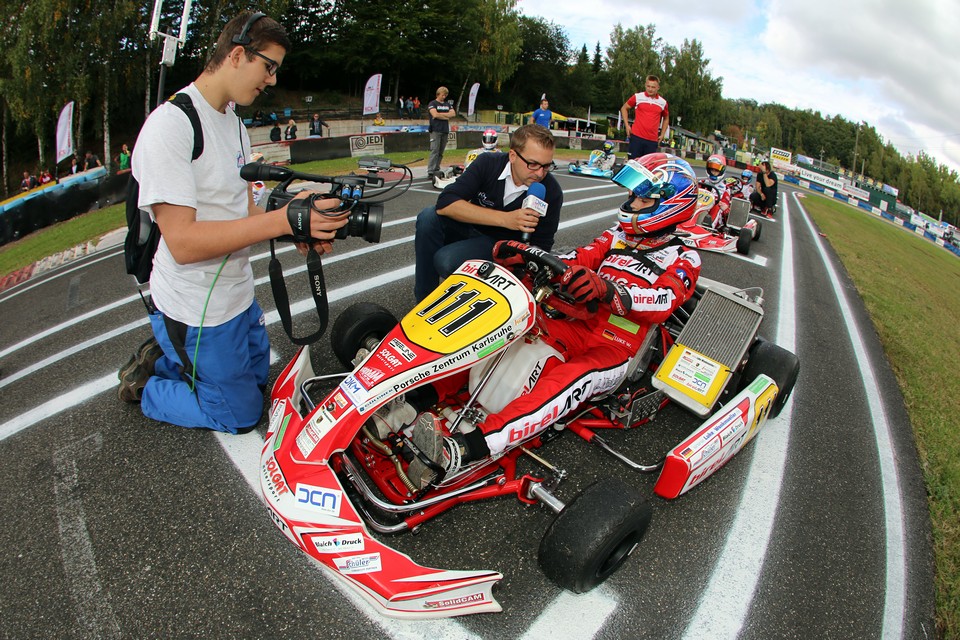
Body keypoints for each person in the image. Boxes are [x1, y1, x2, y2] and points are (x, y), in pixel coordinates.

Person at [406, 153, 702, 487]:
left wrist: (608, 290)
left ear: (671, 205)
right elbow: (578, 258)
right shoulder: (617, 236)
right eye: (633, 195)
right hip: (575, 324)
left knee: (564, 381)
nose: (632, 202)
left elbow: (663, 302)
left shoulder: (684, 256)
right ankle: (416, 398)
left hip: (617, 348)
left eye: (643, 198)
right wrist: (532, 257)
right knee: (503, 335)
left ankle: (466, 448)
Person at [120, 11, 349, 434]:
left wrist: (294, 222)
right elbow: (183, 243)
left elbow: (245, 212)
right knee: (239, 413)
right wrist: (280, 220)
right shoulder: (170, 126)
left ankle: (178, 359)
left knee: (259, 382)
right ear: (238, 54)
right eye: (269, 67)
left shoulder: (234, 123)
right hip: (196, 306)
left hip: (237, 295)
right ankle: (150, 383)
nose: (273, 80)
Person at [415, 124, 562, 301]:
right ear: (513, 155)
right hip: (471, 229)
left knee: (446, 260)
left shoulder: (551, 191)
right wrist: (506, 219)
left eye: (546, 166)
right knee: (428, 218)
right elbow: (445, 203)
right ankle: (424, 299)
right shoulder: (487, 163)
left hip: (503, 248)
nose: (540, 173)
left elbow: (542, 246)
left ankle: (473, 304)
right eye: (533, 164)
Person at [619, 75, 669, 159]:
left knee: (647, 166)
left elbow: (666, 118)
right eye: (648, 86)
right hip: (636, 137)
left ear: (658, 88)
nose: (650, 89)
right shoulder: (638, 97)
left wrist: (663, 133)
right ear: (645, 85)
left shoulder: (662, 102)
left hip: (652, 140)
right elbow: (624, 108)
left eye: (653, 87)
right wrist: (627, 125)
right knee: (633, 163)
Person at [427, 86, 457, 178]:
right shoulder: (432, 103)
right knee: (434, 150)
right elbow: (434, 114)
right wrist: (446, 116)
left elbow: (453, 114)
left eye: (445, 95)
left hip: (445, 130)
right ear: (438, 94)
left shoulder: (447, 104)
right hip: (435, 130)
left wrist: (441, 115)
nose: (444, 97)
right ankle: (431, 171)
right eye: (443, 95)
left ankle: (436, 169)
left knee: (440, 152)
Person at [700, 153, 731, 229]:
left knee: (717, 206)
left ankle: (708, 228)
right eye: (712, 170)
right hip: (699, 209)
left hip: (714, 214)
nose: (713, 172)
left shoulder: (725, 189)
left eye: (716, 170)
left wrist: (724, 206)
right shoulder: (702, 182)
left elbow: (726, 208)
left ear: (722, 171)